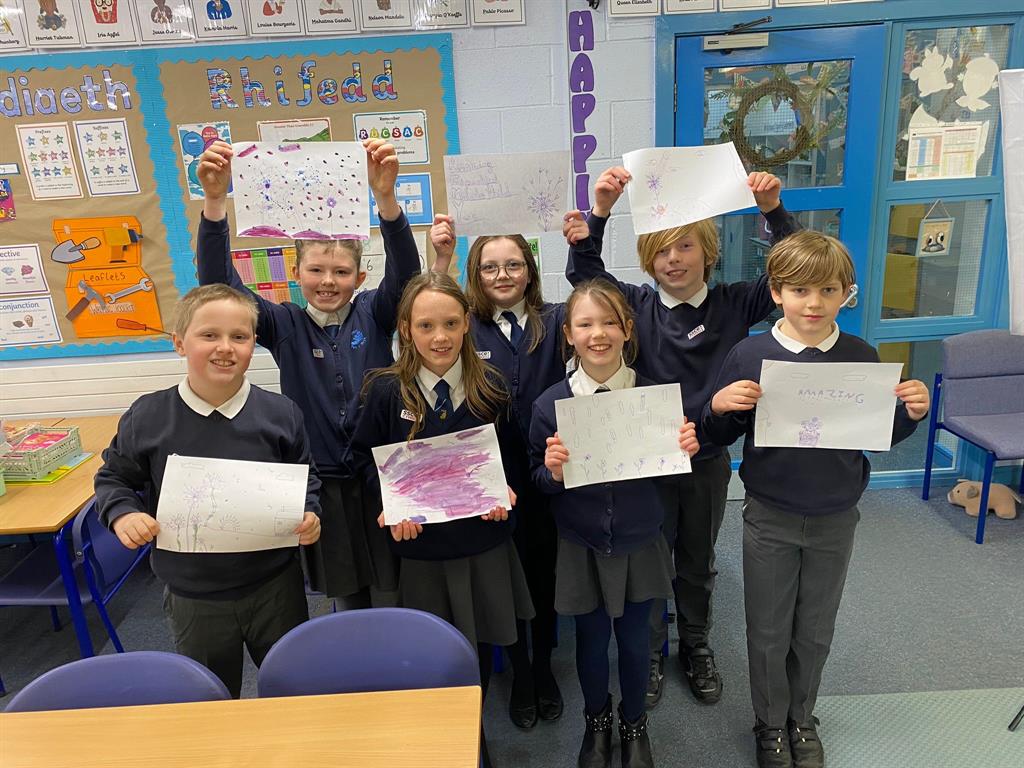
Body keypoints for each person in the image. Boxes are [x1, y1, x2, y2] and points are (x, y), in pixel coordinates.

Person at [563, 166, 799, 708]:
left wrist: (772, 211)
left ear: (707, 252)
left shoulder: (736, 302)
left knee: (696, 559)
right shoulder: (634, 307)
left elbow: (791, 268)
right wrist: (601, 211)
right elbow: (585, 274)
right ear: (649, 261)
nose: (674, 259)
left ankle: (695, 644)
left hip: (707, 458)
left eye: (685, 246)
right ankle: (650, 650)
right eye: (662, 251)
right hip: (645, 460)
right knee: (651, 558)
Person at [701, 231, 930, 768]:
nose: (814, 303)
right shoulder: (750, 353)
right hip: (770, 514)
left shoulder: (860, 356)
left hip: (835, 515)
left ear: (846, 294)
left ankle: (801, 717)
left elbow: (878, 433)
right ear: (776, 292)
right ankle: (770, 723)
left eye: (828, 290)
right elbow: (718, 434)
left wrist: (910, 414)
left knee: (815, 627)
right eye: (800, 290)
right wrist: (718, 406)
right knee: (768, 628)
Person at [195, 138, 420, 609]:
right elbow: (221, 287)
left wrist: (385, 199)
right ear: (296, 273)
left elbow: (406, 277)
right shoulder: (284, 324)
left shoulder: (375, 314)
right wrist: (215, 204)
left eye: (341, 272)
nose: (328, 282)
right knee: (346, 597)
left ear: (359, 278)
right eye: (316, 270)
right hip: (323, 482)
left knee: (395, 589)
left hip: (381, 474)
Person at [94, 284, 322, 698]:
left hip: (274, 586)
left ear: (254, 343)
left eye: (240, 336)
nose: (226, 347)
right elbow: (115, 478)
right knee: (210, 694)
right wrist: (123, 513)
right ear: (180, 343)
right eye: (209, 335)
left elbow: (305, 477)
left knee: (294, 684)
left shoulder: (281, 413)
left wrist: (310, 512)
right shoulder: (148, 416)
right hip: (194, 596)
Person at [352, 272, 535, 768]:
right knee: (431, 651)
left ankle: (475, 734)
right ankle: (445, 740)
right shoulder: (387, 391)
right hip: (422, 552)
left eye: (451, 324)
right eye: (426, 325)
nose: (440, 337)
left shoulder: (490, 387)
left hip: (481, 543)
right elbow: (362, 460)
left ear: (467, 324)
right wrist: (389, 501)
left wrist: (506, 491)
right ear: (406, 329)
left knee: (480, 642)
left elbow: (513, 459)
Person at [530, 279, 700, 768]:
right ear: (569, 334)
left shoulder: (655, 400)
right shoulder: (550, 405)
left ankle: (634, 724)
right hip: (581, 543)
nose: (598, 334)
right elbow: (536, 479)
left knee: (634, 640)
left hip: (639, 539)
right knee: (589, 640)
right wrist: (553, 473)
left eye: (609, 322)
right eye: (585, 324)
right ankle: (597, 722)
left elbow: (671, 478)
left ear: (628, 329)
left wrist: (684, 451)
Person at [431, 216, 565, 729]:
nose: (502, 275)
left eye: (513, 264)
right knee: (504, 580)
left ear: (530, 270)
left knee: (544, 575)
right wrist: (440, 259)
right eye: (490, 267)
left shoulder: (555, 321)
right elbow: (428, 304)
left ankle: (543, 666)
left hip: (547, 472)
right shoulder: (464, 325)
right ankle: (520, 674)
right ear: (476, 275)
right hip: (489, 478)